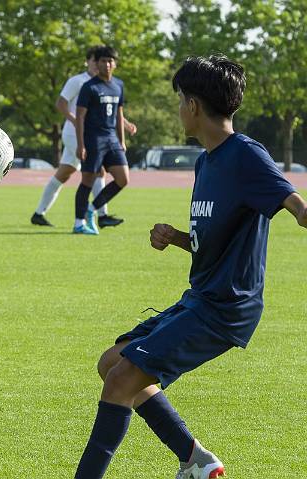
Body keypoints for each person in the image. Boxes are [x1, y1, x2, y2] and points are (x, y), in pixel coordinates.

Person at [74, 55, 307, 479]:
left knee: (121, 380)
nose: (179, 108)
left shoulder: (246, 155)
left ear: (194, 106)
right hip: (201, 298)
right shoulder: (206, 161)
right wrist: (177, 236)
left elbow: (300, 210)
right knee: (111, 363)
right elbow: (214, 241)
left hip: (226, 307)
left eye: (180, 99)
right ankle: (197, 460)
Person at [31, 46, 136, 228]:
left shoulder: (113, 85)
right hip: (77, 134)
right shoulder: (79, 82)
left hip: (101, 134)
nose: (100, 64)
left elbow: (111, 110)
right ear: (89, 61)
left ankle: (39, 213)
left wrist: (125, 127)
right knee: (98, 172)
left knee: (64, 173)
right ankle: (100, 215)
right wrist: (73, 121)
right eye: (96, 60)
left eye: (106, 60)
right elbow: (61, 103)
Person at [73, 46, 129, 235]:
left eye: (110, 61)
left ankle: (91, 210)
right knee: (87, 180)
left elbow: (119, 114)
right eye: (103, 60)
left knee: (123, 178)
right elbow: (80, 117)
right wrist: (81, 144)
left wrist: (122, 140)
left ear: (115, 63)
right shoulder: (89, 87)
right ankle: (78, 223)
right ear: (96, 63)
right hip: (93, 139)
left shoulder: (118, 85)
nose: (107, 64)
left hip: (112, 139)